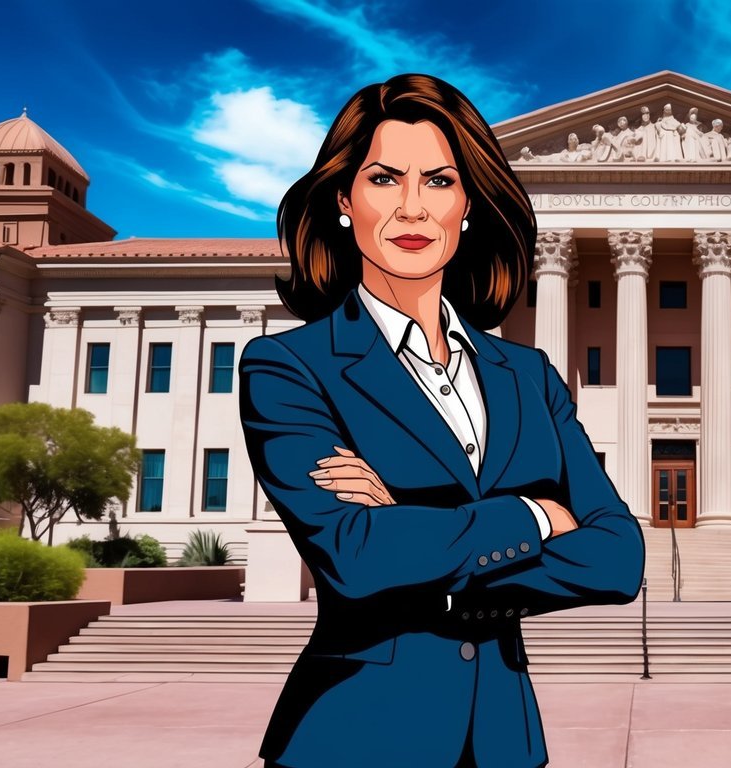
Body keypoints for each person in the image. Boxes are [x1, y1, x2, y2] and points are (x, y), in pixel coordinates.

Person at [238, 72, 645, 768]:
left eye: (438, 181)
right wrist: (537, 515)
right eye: (384, 179)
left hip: (503, 740)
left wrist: (415, 535)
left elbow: (618, 558)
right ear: (343, 200)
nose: (411, 209)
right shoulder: (289, 367)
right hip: (351, 735)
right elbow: (356, 559)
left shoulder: (528, 377)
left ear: (468, 205)